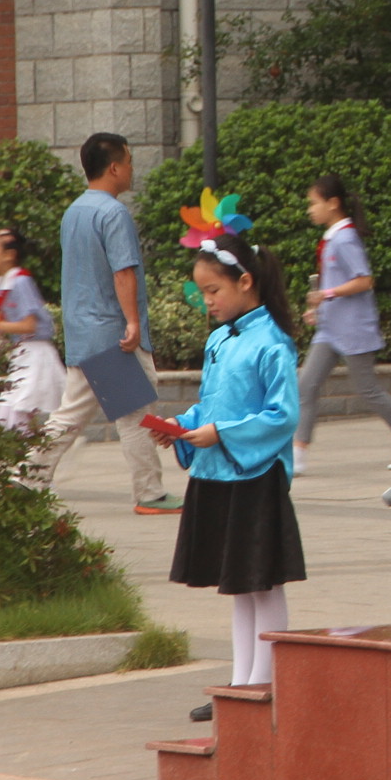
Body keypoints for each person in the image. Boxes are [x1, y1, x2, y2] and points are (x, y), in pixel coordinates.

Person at [158, 231, 305, 725]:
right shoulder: (218, 340)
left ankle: (265, 684)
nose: (208, 301)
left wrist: (219, 433)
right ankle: (241, 684)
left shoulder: (273, 342)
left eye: (213, 290)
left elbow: (283, 416)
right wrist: (181, 427)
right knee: (238, 584)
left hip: (254, 476)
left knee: (264, 582)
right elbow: (211, 404)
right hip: (219, 473)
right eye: (202, 292)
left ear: (245, 282)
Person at [29, 134, 179, 513]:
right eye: (128, 161)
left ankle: (25, 478)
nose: (131, 168)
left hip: (83, 331)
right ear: (114, 168)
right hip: (113, 333)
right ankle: (150, 494)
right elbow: (123, 271)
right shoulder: (114, 213)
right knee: (136, 413)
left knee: (73, 413)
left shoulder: (74, 212)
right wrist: (132, 323)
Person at [294, 174, 391, 477]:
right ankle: (298, 454)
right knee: (305, 386)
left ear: (333, 204)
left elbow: (364, 280)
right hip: (329, 330)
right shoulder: (333, 238)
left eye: (314, 203)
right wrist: (318, 307)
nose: (310, 210)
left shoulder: (345, 239)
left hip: (353, 329)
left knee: (367, 389)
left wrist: (327, 294)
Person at [0, 226, 65, 432]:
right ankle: (31, 449)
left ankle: (34, 450)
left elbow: (30, 325)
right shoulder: (2, 284)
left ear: (9, 255)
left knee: (16, 410)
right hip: (23, 354)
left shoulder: (20, 282)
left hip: (36, 354)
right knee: (12, 411)